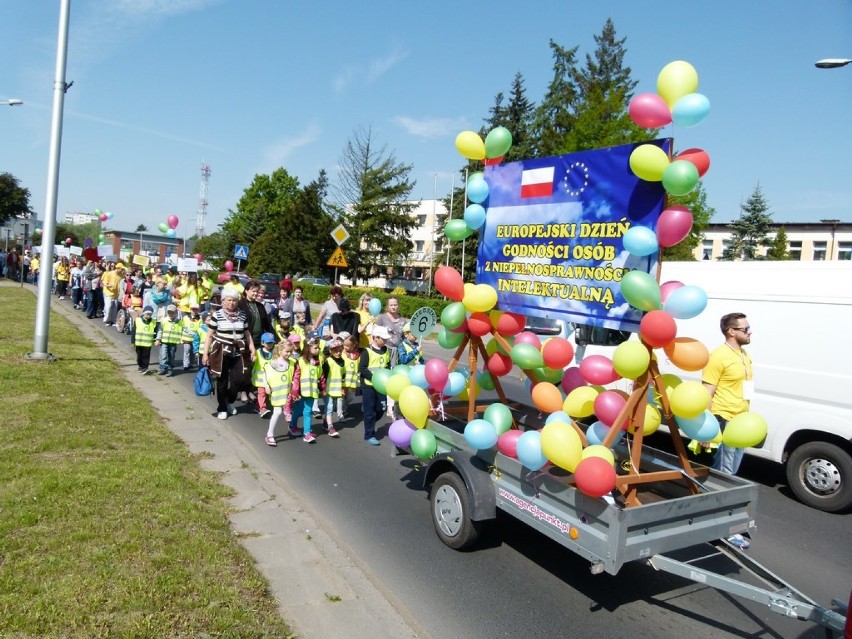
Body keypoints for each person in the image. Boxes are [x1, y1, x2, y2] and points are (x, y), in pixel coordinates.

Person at [702, 312, 754, 550]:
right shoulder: (718, 357)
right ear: (731, 331)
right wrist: (709, 431)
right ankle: (721, 528)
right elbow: (707, 393)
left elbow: (745, 390)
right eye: (745, 329)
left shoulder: (743, 355)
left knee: (731, 475)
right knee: (725, 478)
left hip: (740, 424)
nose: (750, 332)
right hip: (724, 421)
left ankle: (718, 523)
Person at [202, 288, 256, 420]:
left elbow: (247, 334)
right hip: (221, 352)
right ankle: (222, 408)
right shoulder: (217, 315)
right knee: (222, 381)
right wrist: (205, 354)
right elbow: (209, 336)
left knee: (239, 379)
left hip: (238, 351)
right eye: (229, 300)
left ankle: (230, 401)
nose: (232, 303)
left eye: (234, 300)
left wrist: (252, 349)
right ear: (223, 301)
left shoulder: (242, 315)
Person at [289, 336, 325, 443]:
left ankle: (306, 432)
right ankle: (297, 428)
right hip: (301, 392)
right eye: (315, 348)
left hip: (312, 392)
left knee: (307, 411)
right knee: (299, 410)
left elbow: (321, 376)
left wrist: (323, 388)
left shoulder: (317, 363)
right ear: (308, 348)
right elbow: (296, 377)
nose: (318, 350)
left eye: (318, 348)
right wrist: (295, 392)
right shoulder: (300, 361)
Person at [359, 325, 391, 446]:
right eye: (384, 338)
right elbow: (362, 368)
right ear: (376, 338)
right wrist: (374, 378)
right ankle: (369, 435)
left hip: (381, 387)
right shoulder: (367, 351)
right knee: (370, 412)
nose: (386, 340)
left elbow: (387, 366)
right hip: (369, 386)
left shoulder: (386, 350)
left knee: (381, 409)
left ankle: (369, 421)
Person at [375, 297, 407, 417]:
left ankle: (390, 407)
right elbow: (375, 332)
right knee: (382, 376)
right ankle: (378, 402)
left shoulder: (403, 320)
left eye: (395, 305)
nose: (394, 307)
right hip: (384, 350)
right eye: (391, 305)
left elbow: (405, 337)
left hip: (397, 352)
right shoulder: (382, 318)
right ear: (387, 306)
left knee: (393, 378)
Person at [264, 340, 296, 447]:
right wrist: (266, 386)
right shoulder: (274, 362)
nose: (289, 354)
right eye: (287, 351)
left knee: (290, 410)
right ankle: (269, 434)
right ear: (280, 350)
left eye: (291, 352)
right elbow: (265, 373)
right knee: (277, 412)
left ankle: (291, 426)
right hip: (277, 392)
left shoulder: (291, 362)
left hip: (286, 393)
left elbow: (292, 376)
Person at [322, 338, 345, 436]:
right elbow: (323, 376)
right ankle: (330, 427)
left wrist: (343, 387)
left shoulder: (342, 362)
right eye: (336, 351)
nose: (338, 353)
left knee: (331, 406)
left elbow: (343, 375)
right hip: (328, 389)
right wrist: (322, 388)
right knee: (330, 406)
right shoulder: (328, 362)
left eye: (340, 350)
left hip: (337, 389)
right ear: (331, 351)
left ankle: (325, 422)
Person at [252, 332, 277, 418]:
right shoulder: (258, 352)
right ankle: (262, 408)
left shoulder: (274, 353)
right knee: (261, 393)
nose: (270, 345)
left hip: (270, 378)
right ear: (263, 343)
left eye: (272, 343)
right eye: (268, 343)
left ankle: (257, 406)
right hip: (260, 378)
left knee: (268, 393)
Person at [155, 304, 182, 376]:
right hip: (164, 341)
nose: (171, 314)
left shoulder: (179, 322)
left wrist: (182, 339)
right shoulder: (164, 321)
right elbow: (160, 330)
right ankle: (162, 368)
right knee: (163, 355)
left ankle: (170, 369)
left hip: (173, 342)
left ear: (175, 313)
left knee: (171, 355)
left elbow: (183, 331)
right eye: (169, 312)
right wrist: (158, 339)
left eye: (172, 313)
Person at [341, 334, 361, 417]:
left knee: (351, 397)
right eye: (344, 345)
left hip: (352, 381)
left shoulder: (357, 355)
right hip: (343, 381)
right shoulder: (341, 354)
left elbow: (359, 367)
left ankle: (345, 405)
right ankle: (342, 410)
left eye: (348, 346)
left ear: (353, 346)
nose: (345, 347)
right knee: (342, 396)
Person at [133, 306, 157, 374]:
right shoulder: (138, 320)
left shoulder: (153, 322)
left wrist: (155, 340)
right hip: (139, 343)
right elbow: (134, 332)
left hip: (147, 343)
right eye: (147, 314)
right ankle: (140, 366)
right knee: (139, 356)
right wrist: (133, 342)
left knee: (146, 356)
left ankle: (145, 367)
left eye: (150, 314)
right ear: (143, 313)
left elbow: (155, 332)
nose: (148, 316)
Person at [180, 303, 203, 370]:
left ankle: (191, 363)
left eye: (196, 309)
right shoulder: (185, 318)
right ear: (190, 310)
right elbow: (183, 327)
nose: (194, 311)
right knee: (187, 351)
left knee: (193, 352)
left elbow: (200, 328)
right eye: (193, 309)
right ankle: (186, 364)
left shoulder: (200, 319)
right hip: (186, 338)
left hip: (195, 339)